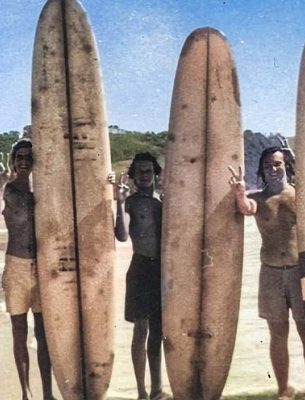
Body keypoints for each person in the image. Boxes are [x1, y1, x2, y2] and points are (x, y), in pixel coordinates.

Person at [229, 146, 305, 400]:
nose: (273, 169)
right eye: (268, 165)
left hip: (300, 272)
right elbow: (246, 208)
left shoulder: (300, 195)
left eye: (277, 164)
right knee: (277, 335)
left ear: (286, 166)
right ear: (262, 169)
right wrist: (239, 193)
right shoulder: (258, 199)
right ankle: (283, 390)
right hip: (270, 273)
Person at [0, 138, 56, 400]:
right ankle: (26, 393)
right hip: (16, 266)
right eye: (20, 157)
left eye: (29, 157)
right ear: (13, 161)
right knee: (19, 332)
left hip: (41, 268)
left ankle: (48, 393)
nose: (24, 161)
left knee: (43, 333)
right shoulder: (8, 191)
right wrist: (0, 185)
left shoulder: (42, 192)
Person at [113, 153, 171, 400]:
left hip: (163, 270)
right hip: (141, 269)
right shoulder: (131, 203)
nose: (145, 175)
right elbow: (122, 235)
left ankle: (157, 389)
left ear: (155, 174)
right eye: (140, 172)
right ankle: (141, 392)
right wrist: (119, 202)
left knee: (158, 332)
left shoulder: (165, 200)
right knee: (141, 330)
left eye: (149, 171)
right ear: (134, 176)